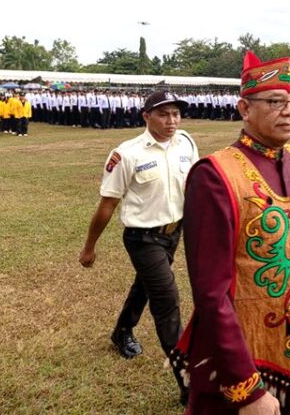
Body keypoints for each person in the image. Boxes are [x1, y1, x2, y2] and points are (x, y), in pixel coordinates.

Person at [176, 51, 290, 415]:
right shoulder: (215, 175)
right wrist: (246, 389)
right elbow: (210, 292)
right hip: (241, 349)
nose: (289, 111)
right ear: (244, 109)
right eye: (275, 102)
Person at [78, 91, 199, 405]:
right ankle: (189, 385)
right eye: (163, 114)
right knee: (167, 300)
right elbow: (107, 205)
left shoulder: (186, 142)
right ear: (146, 116)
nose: (171, 121)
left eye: (175, 114)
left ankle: (122, 332)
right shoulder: (126, 153)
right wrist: (89, 247)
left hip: (174, 232)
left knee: (145, 287)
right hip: (142, 237)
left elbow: (195, 188)